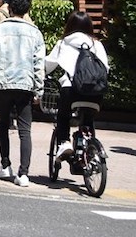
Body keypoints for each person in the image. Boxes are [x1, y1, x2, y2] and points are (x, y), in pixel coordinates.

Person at [0, 0, 45, 188]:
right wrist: (39, 89)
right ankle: (24, 173)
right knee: (25, 130)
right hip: (26, 84)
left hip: (3, 83)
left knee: (3, 124)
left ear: (9, 7)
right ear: (27, 9)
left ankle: (5, 165)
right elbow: (39, 63)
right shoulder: (35, 32)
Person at [45, 10, 109, 161]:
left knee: (63, 115)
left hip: (71, 90)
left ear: (70, 25)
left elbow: (48, 65)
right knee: (88, 117)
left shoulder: (63, 43)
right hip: (96, 92)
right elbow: (106, 68)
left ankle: (64, 142)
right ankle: (91, 149)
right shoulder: (97, 44)